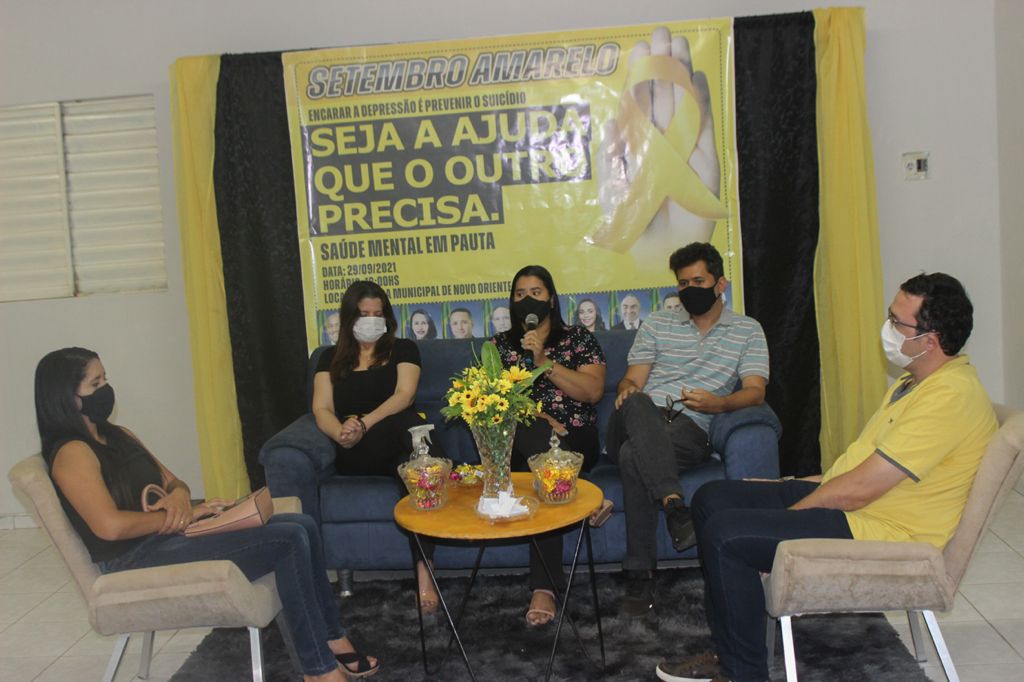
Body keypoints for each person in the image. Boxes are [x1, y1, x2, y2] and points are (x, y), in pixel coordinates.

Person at [655, 272, 997, 682]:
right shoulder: (915, 383)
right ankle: (730, 648)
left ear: (931, 340)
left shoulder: (949, 397)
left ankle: (742, 673)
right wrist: (792, 486)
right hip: (864, 507)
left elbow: (860, 490)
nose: (887, 328)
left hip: (881, 529)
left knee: (727, 536)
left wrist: (791, 518)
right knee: (712, 498)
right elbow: (860, 469)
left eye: (897, 322)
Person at [35, 347, 379, 681]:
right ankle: (318, 670)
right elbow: (108, 527)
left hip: (167, 538)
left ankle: (332, 637)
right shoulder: (72, 454)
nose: (106, 390)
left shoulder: (120, 435)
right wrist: (175, 519)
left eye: (105, 379)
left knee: (302, 524)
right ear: (67, 397)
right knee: (288, 539)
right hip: (135, 559)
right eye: (95, 384)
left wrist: (181, 500)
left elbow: (175, 483)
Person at [609, 242, 769, 617]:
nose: (690, 289)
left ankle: (640, 575)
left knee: (633, 456)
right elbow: (631, 381)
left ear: (720, 284)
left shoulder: (747, 330)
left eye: (698, 281)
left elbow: (755, 392)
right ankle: (675, 506)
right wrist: (627, 390)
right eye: (683, 284)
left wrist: (720, 404)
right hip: (634, 418)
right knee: (637, 402)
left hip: (690, 427)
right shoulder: (657, 324)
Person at [312, 281, 443, 615]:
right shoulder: (328, 358)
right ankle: (435, 462)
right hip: (357, 450)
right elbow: (321, 408)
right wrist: (341, 432)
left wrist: (363, 423)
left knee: (413, 463)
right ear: (348, 318)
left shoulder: (403, 349)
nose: (371, 320)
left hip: (391, 439)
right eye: (363, 314)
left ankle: (425, 573)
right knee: (416, 438)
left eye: (377, 313)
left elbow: (404, 396)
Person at [491, 265, 607, 626]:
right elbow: (490, 405)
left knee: (539, 471)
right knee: (530, 436)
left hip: (575, 438)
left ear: (552, 300)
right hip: (520, 443)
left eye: (536, 293)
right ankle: (583, 494)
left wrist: (544, 362)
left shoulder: (578, 338)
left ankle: (543, 588)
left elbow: (592, 392)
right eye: (520, 294)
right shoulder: (498, 346)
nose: (528, 300)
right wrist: (539, 419)